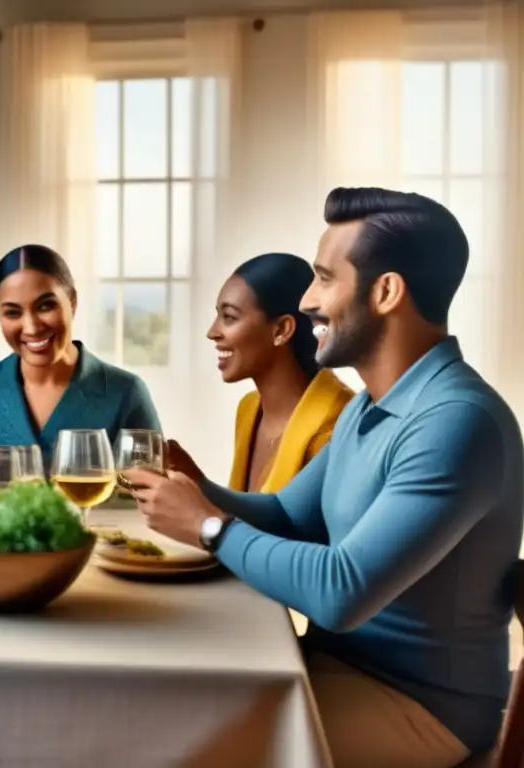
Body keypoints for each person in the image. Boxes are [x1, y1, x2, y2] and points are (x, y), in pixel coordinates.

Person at [125, 188, 523, 767]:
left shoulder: (457, 423)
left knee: (182, 736)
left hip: (423, 708)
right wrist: (196, 485)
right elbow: (289, 514)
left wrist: (210, 527)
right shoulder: (371, 405)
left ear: (386, 292)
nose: (308, 300)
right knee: (164, 686)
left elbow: (341, 592)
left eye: (324, 279)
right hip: (339, 668)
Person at [0, 244, 161, 469]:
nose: (31, 327)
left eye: (45, 306)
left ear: (72, 302)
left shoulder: (126, 392)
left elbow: (154, 493)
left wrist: (4, 468)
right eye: (12, 312)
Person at [195, 252, 353, 492]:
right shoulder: (249, 410)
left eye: (229, 317)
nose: (212, 332)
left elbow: (311, 528)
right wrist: (194, 484)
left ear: (281, 329)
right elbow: (244, 517)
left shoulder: (337, 424)